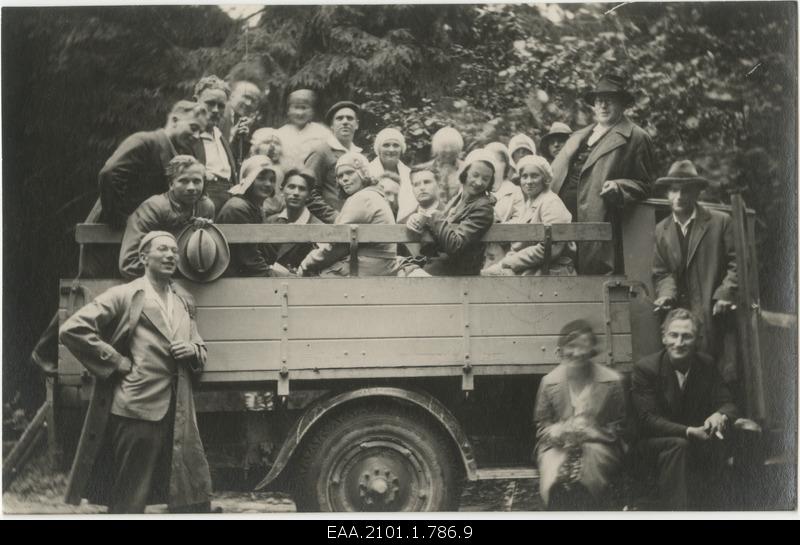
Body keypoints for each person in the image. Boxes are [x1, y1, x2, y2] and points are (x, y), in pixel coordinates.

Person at [60, 231, 212, 513]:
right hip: (136, 410)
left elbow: (200, 348)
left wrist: (192, 351)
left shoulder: (181, 302)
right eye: (163, 250)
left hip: (178, 414)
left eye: (174, 252)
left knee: (190, 496)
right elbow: (72, 330)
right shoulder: (125, 295)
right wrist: (116, 361)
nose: (170, 256)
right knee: (129, 499)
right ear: (143, 257)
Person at [632, 308, 738, 510]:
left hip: (695, 440)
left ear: (697, 340)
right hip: (653, 446)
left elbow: (728, 403)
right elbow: (648, 420)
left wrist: (719, 414)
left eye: (686, 337)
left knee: (734, 433)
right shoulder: (646, 369)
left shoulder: (705, 364)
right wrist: (688, 431)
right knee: (679, 445)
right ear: (664, 338)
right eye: (673, 335)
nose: (679, 343)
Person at [550, 73, 654, 274]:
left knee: (591, 282)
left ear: (623, 104)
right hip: (561, 219)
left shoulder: (636, 137)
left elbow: (645, 185)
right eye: (599, 101)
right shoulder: (580, 135)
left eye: (610, 100)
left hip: (600, 221)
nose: (603, 106)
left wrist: (619, 187)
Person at [652, 160, 738, 381]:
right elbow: (662, 272)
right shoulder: (661, 230)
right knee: (682, 371)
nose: (679, 196)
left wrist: (724, 294)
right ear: (667, 193)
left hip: (712, 310)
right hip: (679, 313)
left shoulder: (720, 222)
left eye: (685, 190)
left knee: (717, 369)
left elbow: (736, 264)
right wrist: (665, 295)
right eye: (673, 190)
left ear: (697, 193)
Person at [534, 319, 627, 509]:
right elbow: (542, 426)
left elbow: (621, 426)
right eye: (571, 347)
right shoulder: (549, 382)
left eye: (583, 346)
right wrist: (558, 431)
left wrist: (592, 432)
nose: (577, 353)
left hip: (599, 445)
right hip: (557, 446)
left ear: (592, 350)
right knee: (556, 475)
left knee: (586, 475)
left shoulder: (612, 382)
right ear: (560, 351)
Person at [98, 100, 207, 229]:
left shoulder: (185, 153)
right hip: (120, 232)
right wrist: (121, 220)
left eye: (200, 132)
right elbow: (109, 174)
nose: (196, 136)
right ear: (175, 120)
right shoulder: (145, 142)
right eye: (193, 128)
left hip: (158, 229)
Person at [299, 152, 397, 277]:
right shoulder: (373, 195)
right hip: (377, 264)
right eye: (340, 176)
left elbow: (338, 244)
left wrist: (308, 262)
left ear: (363, 173)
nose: (344, 179)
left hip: (367, 266)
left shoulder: (363, 198)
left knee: (310, 280)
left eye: (349, 173)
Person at [118, 156, 215, 279]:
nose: (191, 188)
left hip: (194, 280)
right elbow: (129, 264)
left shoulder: (205, 207)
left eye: (196, 181)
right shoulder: (154, 207)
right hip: (156, 282)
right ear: (171, 184)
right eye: (183, 181)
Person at [406, 149, 496, 276]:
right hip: (443, 267)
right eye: (475, 175)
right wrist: (417, 218)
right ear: (465, 173)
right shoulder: (459, 199)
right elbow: (442, 231)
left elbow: (456, 245)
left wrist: (432, 214)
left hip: (458, 274)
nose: (479, 182)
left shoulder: (483, 208)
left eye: (486, 179)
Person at [481, 156, 575, 276]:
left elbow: (551, 248)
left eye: (534, 176)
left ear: (545, 178)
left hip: (550, 271)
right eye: (524, 176)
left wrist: (508, 263)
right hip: (530, 267)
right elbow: (519, 241)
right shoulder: (530, 203)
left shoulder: (551, 202)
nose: (529, 182)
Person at [216, 156, 291, 277]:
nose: (268, 184)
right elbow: (249, 260)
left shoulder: (255, 207)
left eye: (272, 180)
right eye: (261, 178)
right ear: (249, 180)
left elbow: (264, 252)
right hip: (232, 280)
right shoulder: (237, 209)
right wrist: (274, 275)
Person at [304, 100, 363, 223]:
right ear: (332, 126)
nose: (345, 122)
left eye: (350, 118)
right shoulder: (321, 151)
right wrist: (335, 217)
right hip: (328, 225)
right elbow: (308, 192)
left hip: (356, 222)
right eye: (339, 118)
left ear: (357, 124)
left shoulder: (359, 154)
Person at [192, 75, 237, 212]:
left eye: (221, 106)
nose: (216, 110)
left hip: (228, 198)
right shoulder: (187, 136)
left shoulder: (219, 136)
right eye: (210, 104)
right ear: (196, 102)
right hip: (201, 200)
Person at [266, 167, 323, 272]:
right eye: (291, 187)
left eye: (302, 189)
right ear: (282, 190)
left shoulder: (318, 227)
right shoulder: (270, 221)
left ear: (309, 195)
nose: (296, 193)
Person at [368, 128, 415, 223]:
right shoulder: (368, 172)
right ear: (378, 149)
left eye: (396, 145)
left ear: (401, 149)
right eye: (386, 145)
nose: (391, 149)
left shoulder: (409, 174)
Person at [276, 89, 332, 169]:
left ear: (312, 111)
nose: (300, 113)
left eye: (304, 108)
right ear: (288, 111)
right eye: (296, 107)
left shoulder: (323, 133)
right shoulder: (279, 134)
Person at [222, 80, 263, 169]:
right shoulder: (220, 115)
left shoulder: (249, 123)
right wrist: (233, 134)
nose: (249, 103)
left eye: (254, 100)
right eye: (246, 97)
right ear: (232, 96)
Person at [419, 127, 464, 205]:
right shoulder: (424, 170)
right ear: (436, 148)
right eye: (444, 147)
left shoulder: (467, 169)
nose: (448, 150)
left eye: (452, 146)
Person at [247, 128, 286, 216]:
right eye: (267, 142)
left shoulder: (283, 171)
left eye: (277, 143)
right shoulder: (250, 168)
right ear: (257, 146)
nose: (272, 147)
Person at [485, 142, 525, 223]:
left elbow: (519, 219)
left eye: (499, 161)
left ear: (506, 164)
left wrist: (500, 225)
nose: (494, 165)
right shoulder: (478, 186)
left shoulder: (515, 191)